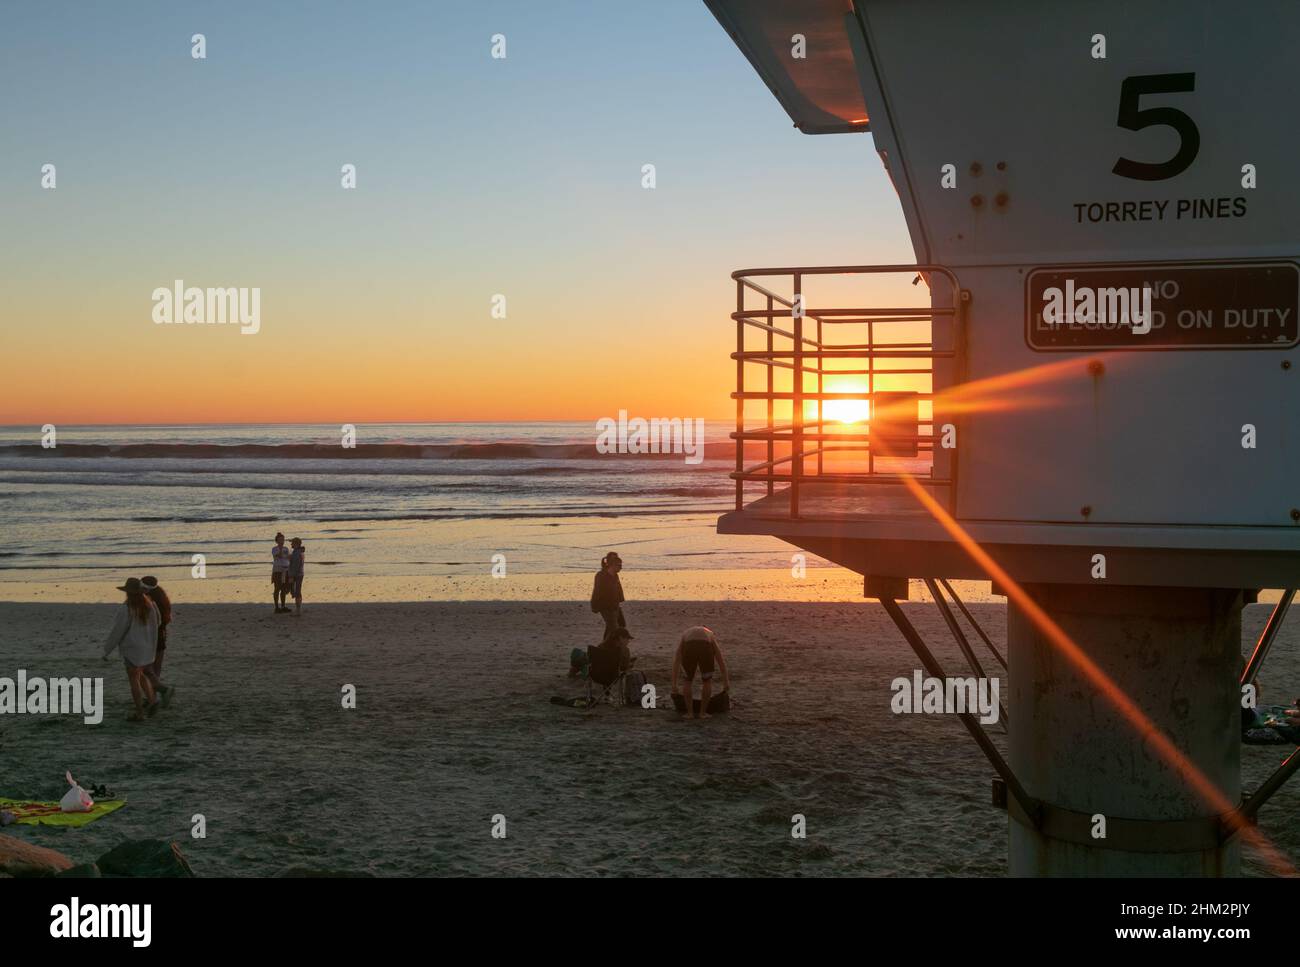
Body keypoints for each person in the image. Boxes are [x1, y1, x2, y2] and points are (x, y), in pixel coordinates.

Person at [102, 577, 160, 721]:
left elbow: (118, 631)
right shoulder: (150, 605)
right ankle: (152, 701)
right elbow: (157, 624)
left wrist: (107, 650)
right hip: (147, 647)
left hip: (132, 648)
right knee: (140, 676)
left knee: (134, 680)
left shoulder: (126, 608)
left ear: (128, 592)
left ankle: (139, 713)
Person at [671, 626, 729, 720]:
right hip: (705, 646)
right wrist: (726, 682)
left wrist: (674, 685)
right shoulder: (710, 634)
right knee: (707, 680)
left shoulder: (686, 633)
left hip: (689, 645)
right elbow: (720, 660)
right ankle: (703, 713)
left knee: (687, 680)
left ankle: (690, 713)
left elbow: (677, 661)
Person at [139, 575, 175, 706]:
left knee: (145, 669)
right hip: (162, 635)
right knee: (156, 669)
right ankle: (152, 697)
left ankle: (163, 691)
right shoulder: (162, 597)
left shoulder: (149, 601)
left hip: (151, 637)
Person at [591, 552, 627, 639]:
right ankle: (606, 647)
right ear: (612, 564)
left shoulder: (615, 576)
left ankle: (605, 645)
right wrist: (595, 606)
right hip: (605, 607)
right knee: (613, 628)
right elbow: (596, 591)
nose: (621, 568)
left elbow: (618, 589)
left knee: (620, 624)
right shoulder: (601, 576)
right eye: (619, 565)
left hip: (614, 605)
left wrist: (620, 599)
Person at [271, 532, 291, 613]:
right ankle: (276, 607)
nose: (282, 541)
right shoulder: (274, 549)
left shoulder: (286, 548)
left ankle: (283, 606)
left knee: (284, 589)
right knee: (277, 588)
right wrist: (280, 548)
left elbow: (288, 558)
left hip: (286, 569)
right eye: (280, 540)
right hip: (277, 570)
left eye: (283, 539)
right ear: (277, 541)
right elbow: (277, 556)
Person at [288, 538, 305, 616]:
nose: (291, 544)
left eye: (292, 543)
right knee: (297, 591)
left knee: (297, 592)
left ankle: (298, 610)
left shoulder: (297, 553)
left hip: (297, 575)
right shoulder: (298, 552)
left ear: (296, 544)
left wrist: (291, 576)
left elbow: (296, 565)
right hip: (299, 574)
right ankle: (298, 609)